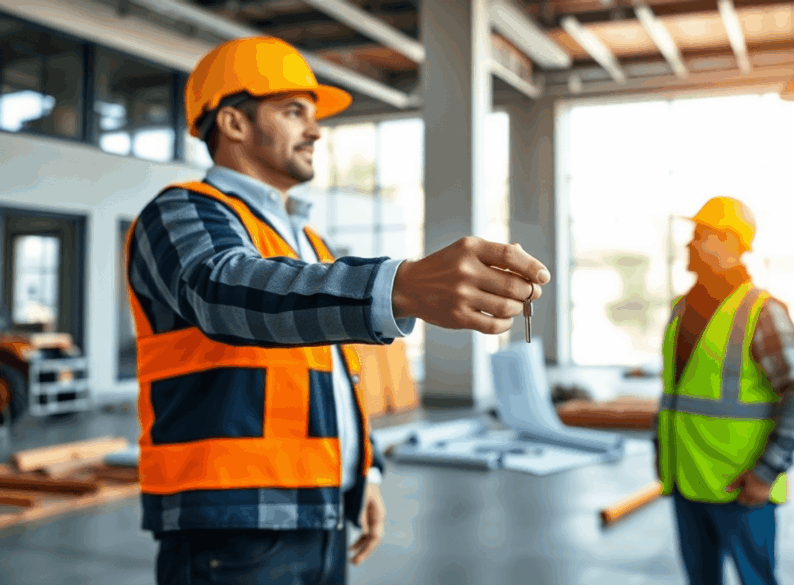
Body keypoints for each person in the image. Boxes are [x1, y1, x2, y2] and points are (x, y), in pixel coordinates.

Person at [124, 36, 549, 585]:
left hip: (320, 512)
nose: (317, 130)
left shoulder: (310, 244)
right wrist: (400, 284)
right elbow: (221, 290)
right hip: (230, 524)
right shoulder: (178, 211)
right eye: (294, 111)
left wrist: (363, 474)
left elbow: (334, 376)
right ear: (232, 122)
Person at [654, 197, 794, 585]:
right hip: (686, 480)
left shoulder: (761, 311)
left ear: (728, 243)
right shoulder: (681, 310)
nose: (690, 244)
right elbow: (675, 398)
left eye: (700, 235)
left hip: (741, 488)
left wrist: (766, 473)